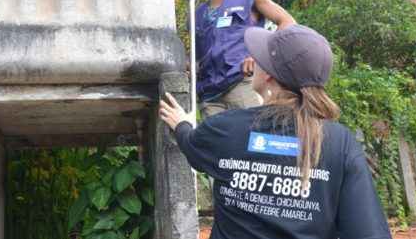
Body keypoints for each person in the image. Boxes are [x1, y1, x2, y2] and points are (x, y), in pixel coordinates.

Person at [159, 25, 392, 239]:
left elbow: (191, 144)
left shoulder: (225, 128)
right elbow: (368, 232)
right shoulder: (340, 143)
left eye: (259, 58)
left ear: (269, 75)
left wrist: (181, 124)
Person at [187, 0, 297, 118]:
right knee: (218, 145)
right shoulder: (197, 14)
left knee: (253, 139)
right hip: (209, 95)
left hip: (243, 84)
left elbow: (287, 22)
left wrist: (259, 55)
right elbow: (196, 56)